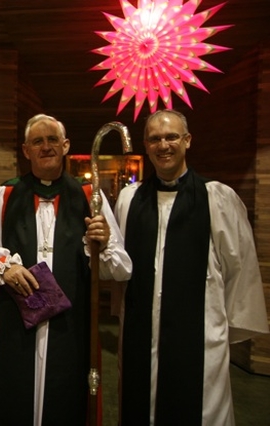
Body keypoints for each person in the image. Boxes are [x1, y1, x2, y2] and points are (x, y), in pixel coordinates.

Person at [0, 114, 132, 425]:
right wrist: (5, 268)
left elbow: (121, 268)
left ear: (66, 146)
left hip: (70, 326)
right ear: (26, 150)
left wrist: (105, 242)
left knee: (67, 399)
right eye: (38, 141)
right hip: (16, 321)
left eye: (53, 140)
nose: (46, 147)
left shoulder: (89, 198)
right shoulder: (5, 195)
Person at [114, 109, 269, 425]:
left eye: (171, 137)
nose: (164, 145)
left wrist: (217, 325)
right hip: (142, 332)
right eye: (155, 138)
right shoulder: (130, 199)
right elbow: (120, 267)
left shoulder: (217, 197)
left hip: (199, 334)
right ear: (146, 145)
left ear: (187, 141)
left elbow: (240, 268)